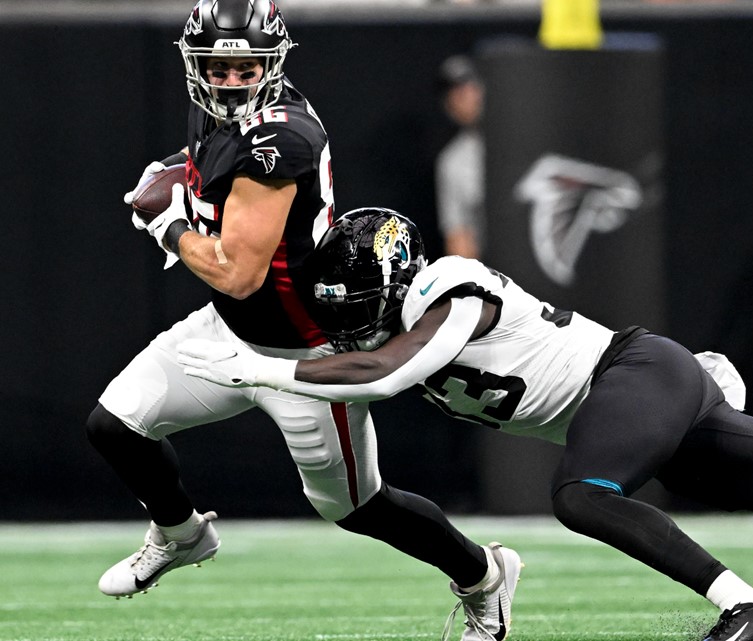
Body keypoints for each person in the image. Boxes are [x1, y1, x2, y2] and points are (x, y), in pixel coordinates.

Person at [177, 207, 753, 641]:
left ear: (396, 277)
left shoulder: (449, 288)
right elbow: (361, 365)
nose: (353, 323)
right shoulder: (389, 316)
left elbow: (383, 369)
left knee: (582, 494)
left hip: (636, 375)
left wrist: (248, 365)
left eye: (358, 304)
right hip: (644, 395)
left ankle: (746, 605)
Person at [90, 4, 520, 639]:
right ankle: (181, 533)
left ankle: (483, 574)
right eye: (218, 67)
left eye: (246, 68)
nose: (231, 81)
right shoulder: (217, 111)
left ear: (273, 63)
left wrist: (169, 222)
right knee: (115, 425)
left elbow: (239, 272)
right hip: (228, 332)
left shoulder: (281, 138)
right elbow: (213, 166)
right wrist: (176, 174)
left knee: (358, 508)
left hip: (305, 356)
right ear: (196, 65)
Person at [434, 54, 486, 260]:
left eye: (468, 86)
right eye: (453, 92)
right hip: (501, 277)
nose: (462, 97)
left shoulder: (531, 136)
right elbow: (459, 237)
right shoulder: (453, 162)